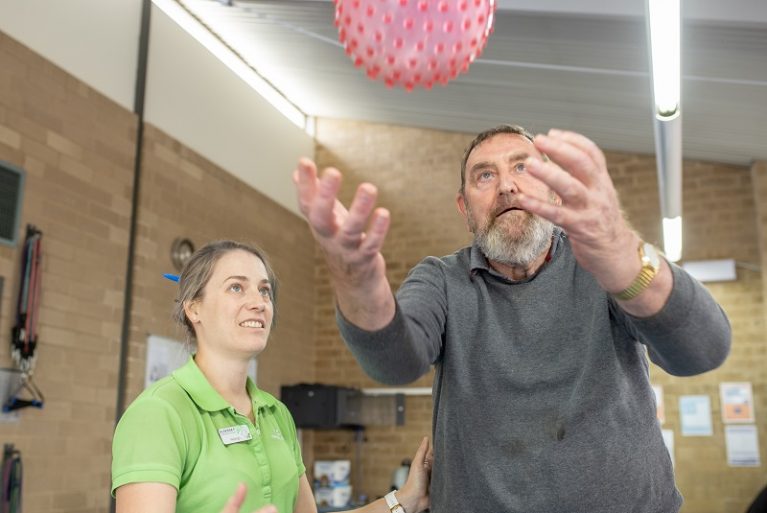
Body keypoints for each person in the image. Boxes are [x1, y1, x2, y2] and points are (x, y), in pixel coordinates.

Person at [293, 126, 731, 513]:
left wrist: (624, 255)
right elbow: (395, 362)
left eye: (523, 168)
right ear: (465, 209)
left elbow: (703, 350)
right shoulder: (442, 279)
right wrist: (358, 283)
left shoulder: (603, 263)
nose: (506, 186)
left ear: (554, 192)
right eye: (485, 175)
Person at [111, 240, 432, 513]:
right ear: (193, 308)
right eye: (236, 287)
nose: (258, 303)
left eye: (264, 291)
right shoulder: (159, 413)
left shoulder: (276, 413)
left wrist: (402, 500)